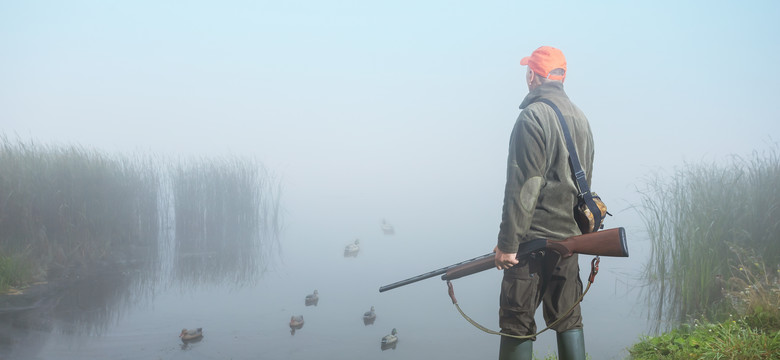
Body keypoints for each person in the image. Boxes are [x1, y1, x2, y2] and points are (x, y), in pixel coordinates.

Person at [493, 46, 594, 360]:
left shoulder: (532, 116)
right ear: (562, 77)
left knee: (516, 321)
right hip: (569, 241)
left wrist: (508, 244)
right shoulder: (580, 117)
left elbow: (524, 187)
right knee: (568, 318)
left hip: (531, 245)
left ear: (532, 76)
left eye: (529, 72)